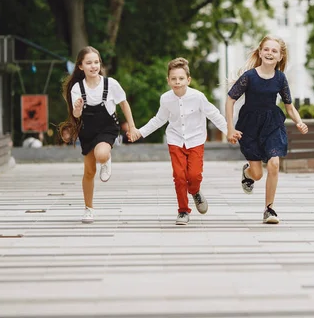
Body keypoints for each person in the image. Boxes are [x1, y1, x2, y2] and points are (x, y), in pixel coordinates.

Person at [128, 57, 230, 226]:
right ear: (168, 80)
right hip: (175, 140)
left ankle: (195, 191)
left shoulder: (198, 97)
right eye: (173, 79)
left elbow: (214, 114)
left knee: (194, 175)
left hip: (196, 139)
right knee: (179, 176)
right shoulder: (165, 99)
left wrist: (229, 131)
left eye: (181, 78)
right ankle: (183, 211)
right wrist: (141, 132)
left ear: (188, 80)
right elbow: (159, 119)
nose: (177, 82)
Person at [226, 35, 308, 224]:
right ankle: (247, 173)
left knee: (274, 163)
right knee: (258, 174)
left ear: (280, 57)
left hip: (272, 124)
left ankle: (269, 209)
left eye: (274, 51)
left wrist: (299, 121)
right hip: (250, 127)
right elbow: (230, 99)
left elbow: (289, 106)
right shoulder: (249, 77)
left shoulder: (280, 78)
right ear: (260, 52)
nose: (270, 53)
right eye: (267, 49)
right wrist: (230, 128)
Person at [59, 46, 138, 224]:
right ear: (80, 66)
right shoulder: (77, 88)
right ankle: (88, 209)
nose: (93, 66)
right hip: (87, 130)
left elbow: (124, 104)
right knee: (89, 171)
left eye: (96, 62)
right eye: (89, 63)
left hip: (108, 128)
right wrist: (78, 108)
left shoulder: (111, 84)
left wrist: (131, 127)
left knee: (101, 154)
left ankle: (106, 158)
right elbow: (77, 115)